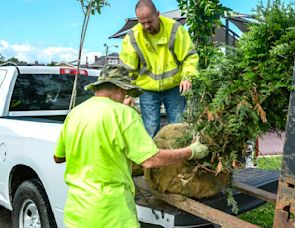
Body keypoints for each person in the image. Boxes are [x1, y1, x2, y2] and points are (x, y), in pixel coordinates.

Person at [53, 65, 208, 227]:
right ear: (120, 89)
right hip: (112, 216)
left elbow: (58, 157)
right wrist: (190, 152)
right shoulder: (124, 114)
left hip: (76, 214)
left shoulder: (75, 114)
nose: (126, 98)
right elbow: (151, 160)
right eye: (126, 93)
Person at [120, 0, 199, 138]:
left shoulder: (175, 30)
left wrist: (187, 77)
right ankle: (152, 159)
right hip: (147, 90)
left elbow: (189, 56)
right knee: (150, 129)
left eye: (150, 21)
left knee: (179, 127)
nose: (146, 26)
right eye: (142, 22)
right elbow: (127, 70)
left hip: (174, 87)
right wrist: (127, 94)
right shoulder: (132, 37)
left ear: (157, 14)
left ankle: (179, 158)